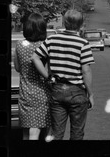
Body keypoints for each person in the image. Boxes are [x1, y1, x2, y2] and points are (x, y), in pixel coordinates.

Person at [31, 9, 95, 140]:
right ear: (81, 24)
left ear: (65, 23)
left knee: (56, 133)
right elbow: (86, 70)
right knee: (77, 133)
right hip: (77, 92)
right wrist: (90, 93)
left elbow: (35, 57)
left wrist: (47, 76)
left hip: (57, 90)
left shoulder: (52, 39)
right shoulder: (83, 43)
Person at [14, 13, 51, 140]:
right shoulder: (45, 45)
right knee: (36, 132)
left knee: (25, 132)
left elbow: (18, 68)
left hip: (25, 92)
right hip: (42, 93)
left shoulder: (19, 45)